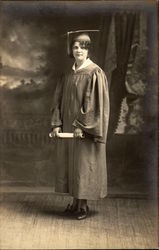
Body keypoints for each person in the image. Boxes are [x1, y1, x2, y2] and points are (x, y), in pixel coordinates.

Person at [50, 31, 109, 220]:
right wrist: (56, 124)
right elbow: (57, 100)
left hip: (83, 129)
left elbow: (93, 105)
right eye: (75, 47)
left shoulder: (94, 72)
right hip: (68, 126)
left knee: (84, 164)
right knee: (72, 164)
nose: (78, 50)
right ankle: (74, 202)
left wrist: (81, 125)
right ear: (71, 50)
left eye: (83, 47)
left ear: (88, 50)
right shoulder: (68, 74)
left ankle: (83, 205)